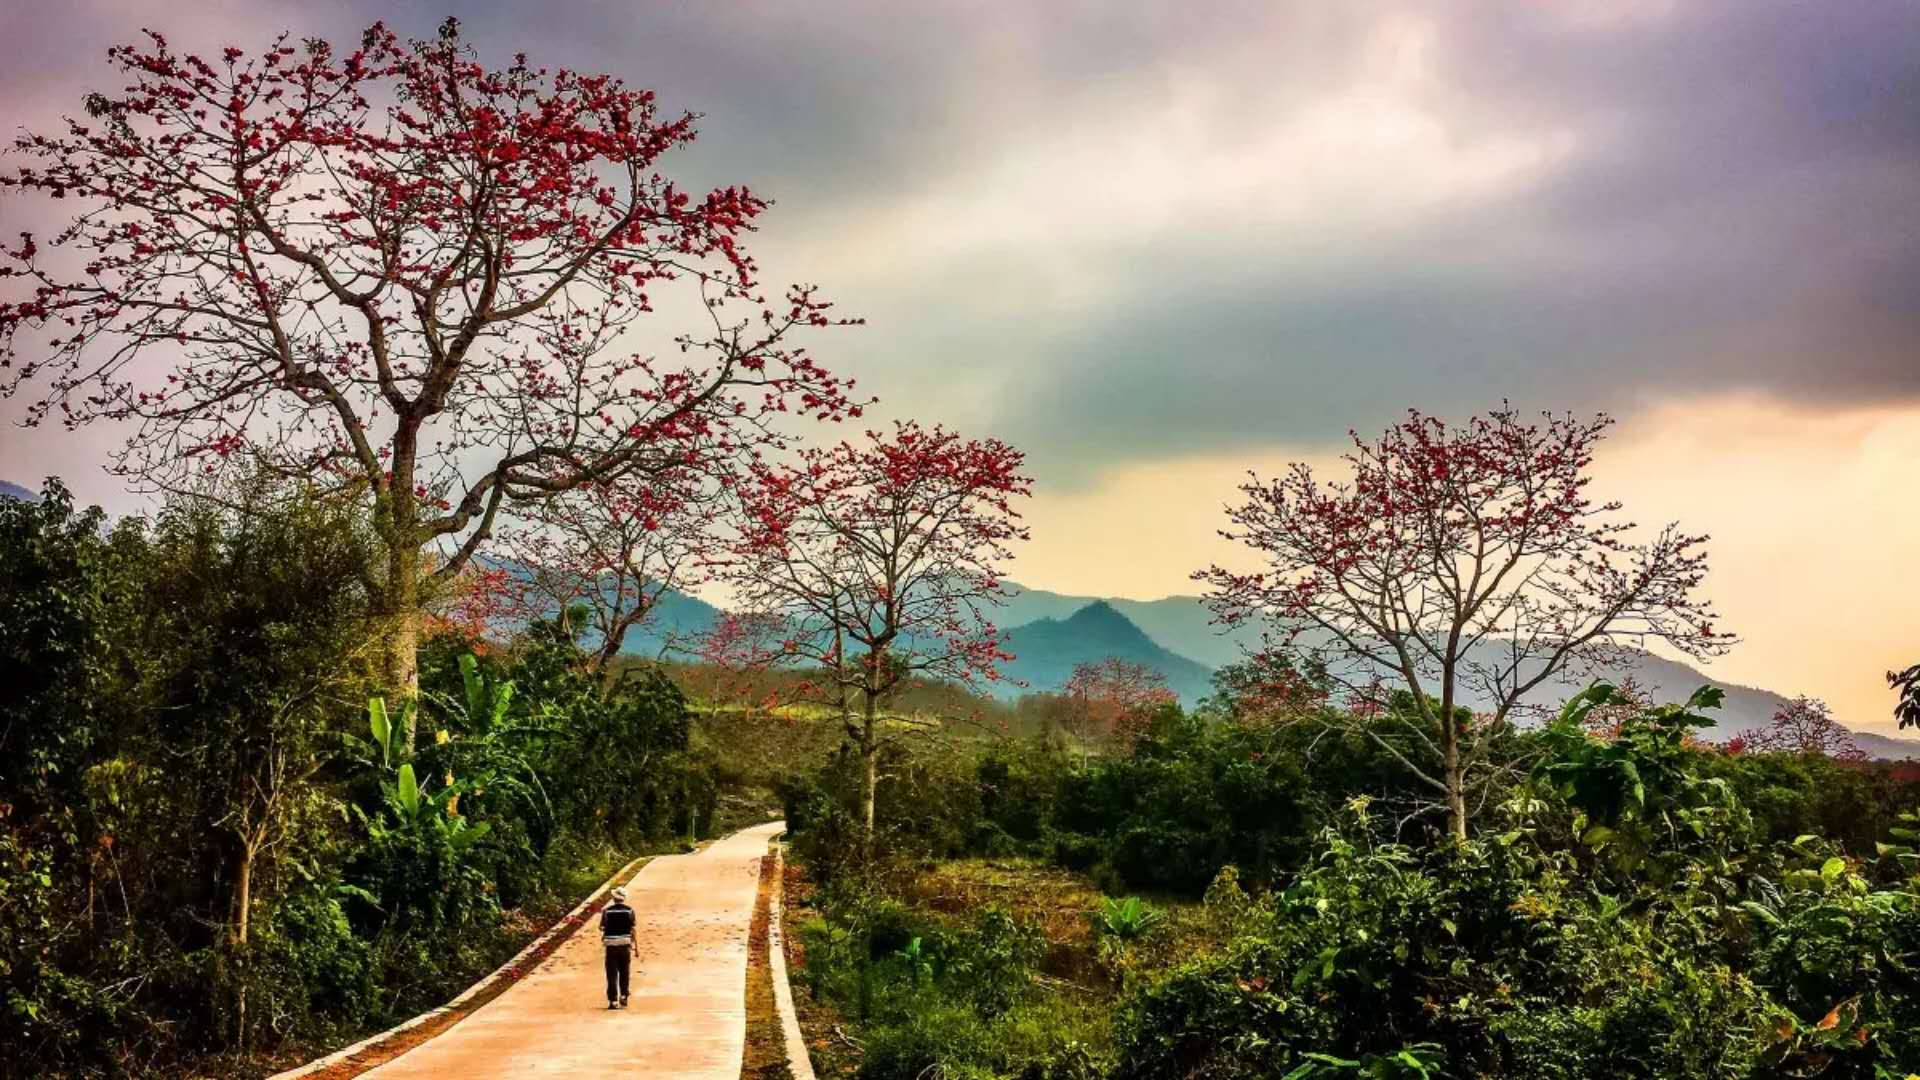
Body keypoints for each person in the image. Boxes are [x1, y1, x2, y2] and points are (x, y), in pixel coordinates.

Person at [601, 886, 636, 1009]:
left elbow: (601, 927)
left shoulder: (606, 911)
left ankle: (613, 1000)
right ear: (624, 898)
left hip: (611, 946)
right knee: (624, 971)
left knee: (611, 973)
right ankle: (624, 995)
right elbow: (633, 928)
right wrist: (635, 947)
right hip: (624, 945)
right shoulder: (629, 911)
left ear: (613, 898)